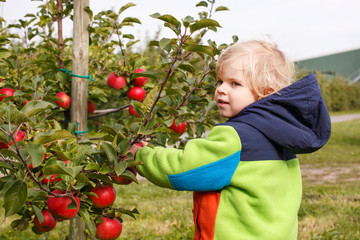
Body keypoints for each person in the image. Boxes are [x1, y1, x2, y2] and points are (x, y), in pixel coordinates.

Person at [130, 39, 331, 240]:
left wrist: (141, 155)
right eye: (220, 81)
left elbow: (183, 169)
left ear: (265, 93)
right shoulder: (283, 134)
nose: (221, 89)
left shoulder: (236, 135)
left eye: (235, 83)